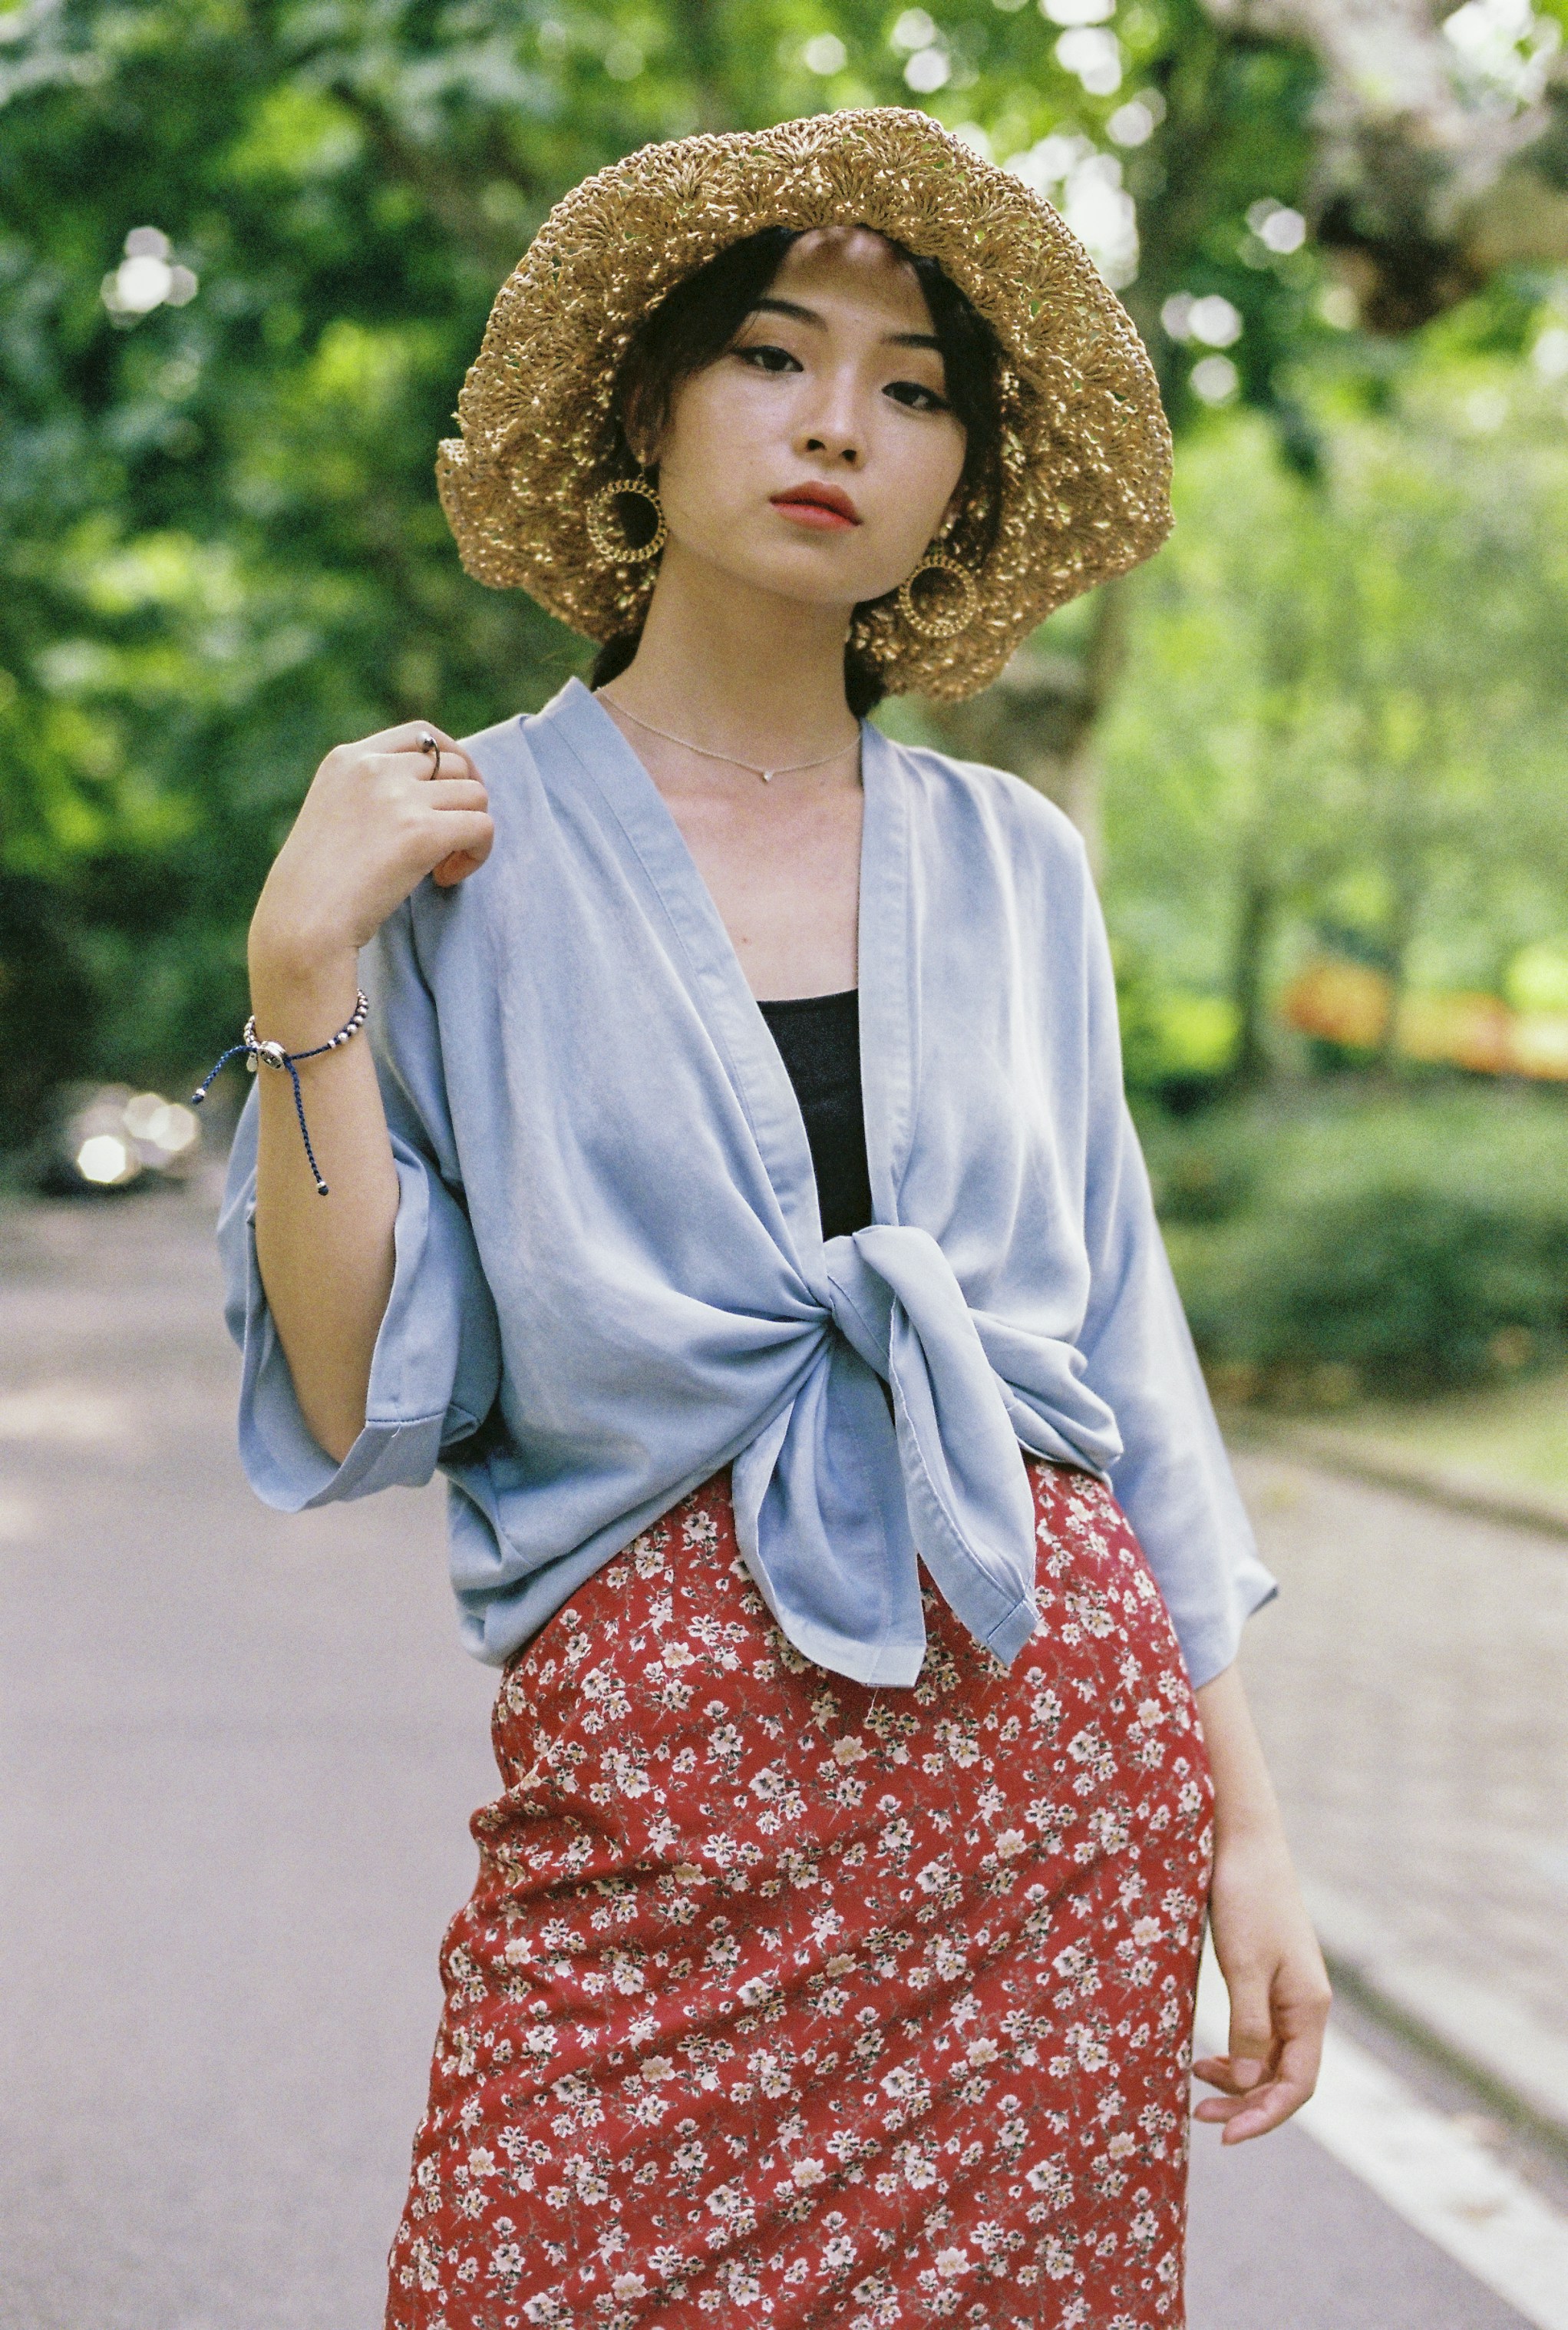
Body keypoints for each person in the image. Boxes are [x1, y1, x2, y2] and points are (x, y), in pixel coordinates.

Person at [214, 107, 1330, 2330]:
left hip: (1048, 1791)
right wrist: (295, 979)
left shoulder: (1016, 865)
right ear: (649, 406)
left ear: (953, 480)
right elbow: (357, 1382)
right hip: (656, 1821)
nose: (841, 422)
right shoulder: (446, 853)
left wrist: (1252, 1832)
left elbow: (1123, 1356)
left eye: (914, 387)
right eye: (773, 354)